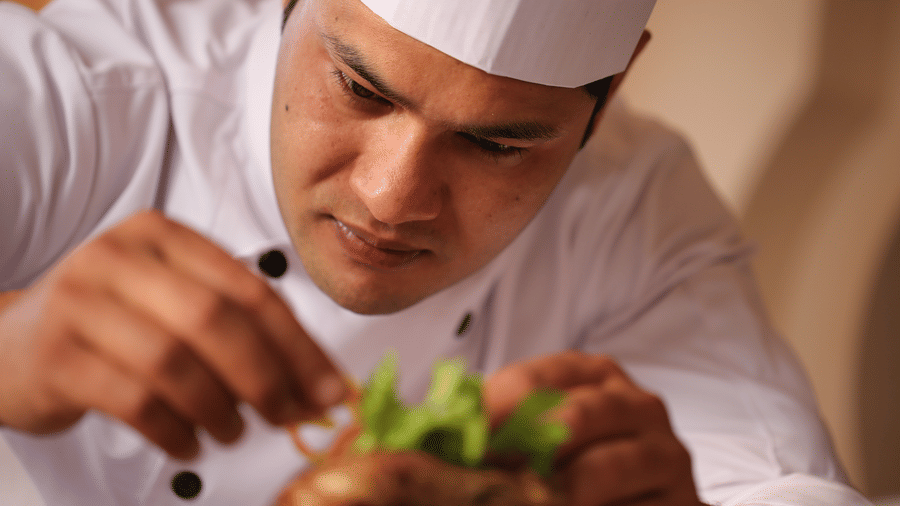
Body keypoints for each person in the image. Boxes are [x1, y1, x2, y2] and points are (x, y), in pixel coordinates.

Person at [0, 0, 873, 504]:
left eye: (497, 145)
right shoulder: (88, 90)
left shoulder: (631, 211)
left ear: (608, 99)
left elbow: (780, 485)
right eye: (358, 88)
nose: (391, 199)